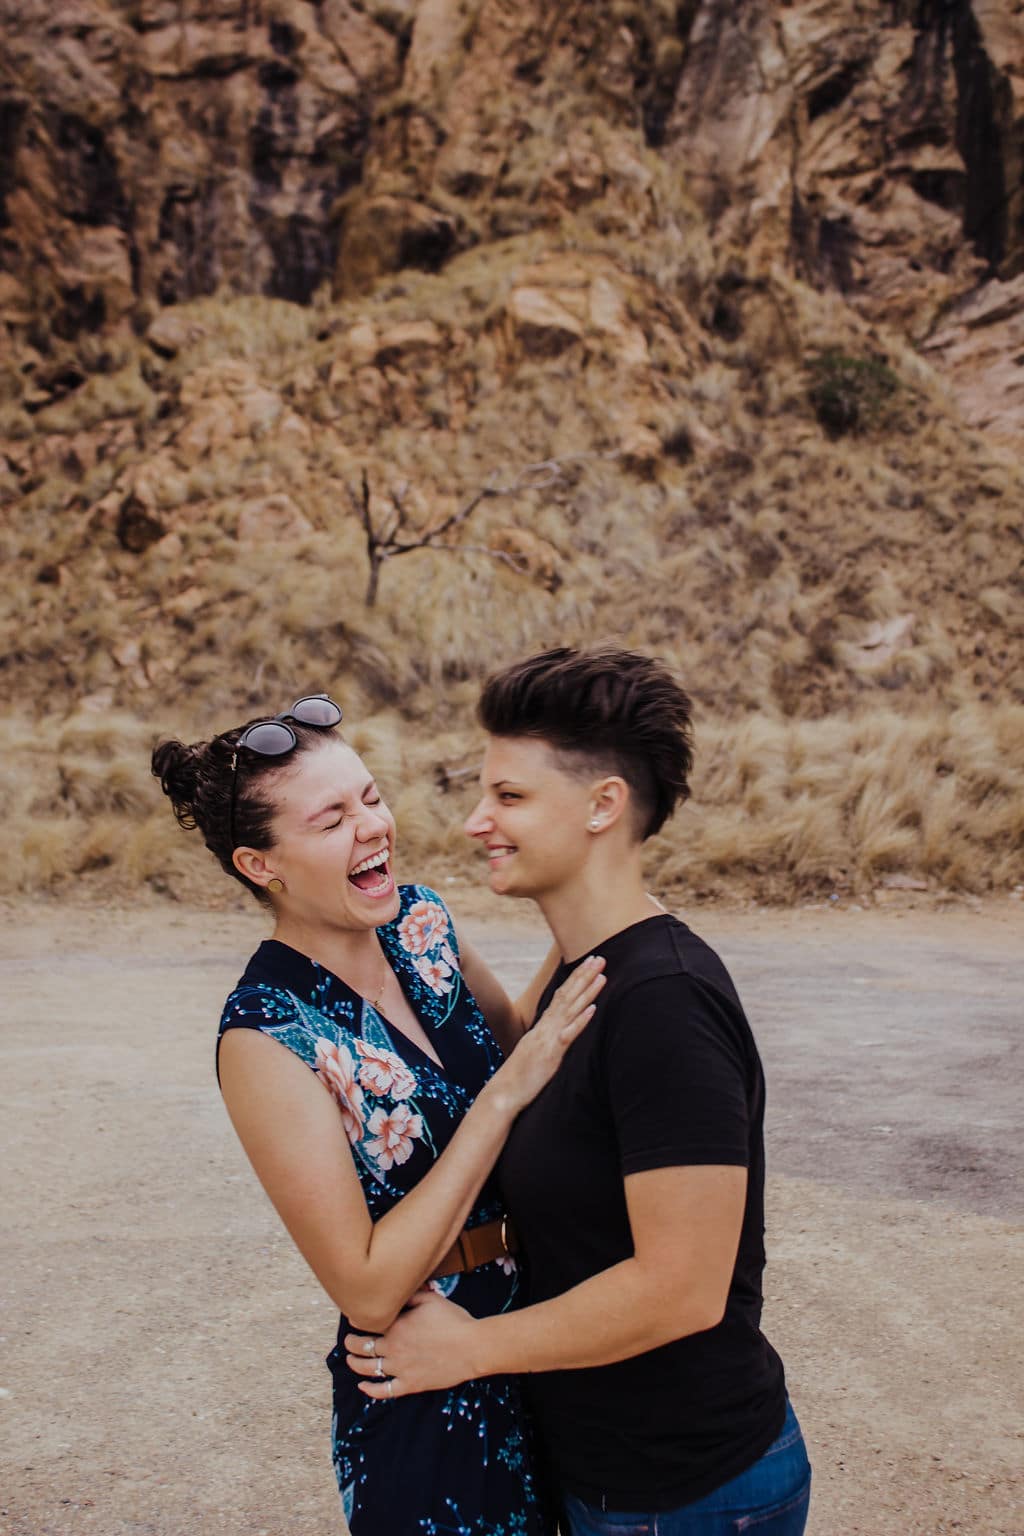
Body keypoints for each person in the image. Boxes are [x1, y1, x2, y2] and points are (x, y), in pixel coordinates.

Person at [345, 649, 812, 1536]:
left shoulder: (665, 1002)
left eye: (510, 796)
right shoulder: (587, 966)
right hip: (603, 1470)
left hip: (686, 1492)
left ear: (603, 805)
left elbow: (683, 1289)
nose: (478, 821)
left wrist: (469, 1350)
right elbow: (506, 1059)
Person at [151, 693, 605, 1535]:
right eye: (332, 820)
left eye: (370, 797)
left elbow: (516, 1044)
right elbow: (364, 1287)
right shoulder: (265, 1034)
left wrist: (589, 898)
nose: (372, 827)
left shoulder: (422, 921)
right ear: (260, 864)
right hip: (424, 1373)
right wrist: (500, 1101)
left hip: (545, 1324)